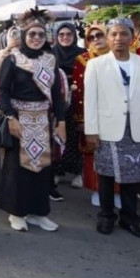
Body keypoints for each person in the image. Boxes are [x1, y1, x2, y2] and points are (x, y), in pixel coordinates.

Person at [0, 9, 66, 233]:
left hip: (43, 120)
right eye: (32, 34)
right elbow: (3, 91)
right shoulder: (13, 59)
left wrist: (61, 121)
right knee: (17, 168)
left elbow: (57, 93)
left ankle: (38, 212)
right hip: (19, 118)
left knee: (42, 167)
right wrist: (10, 117)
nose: (36, 38)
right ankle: (16, 212)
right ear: (24, 35)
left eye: (40, 34)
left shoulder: (50, 59)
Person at [85, 18, 140, 237]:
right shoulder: (96, 65)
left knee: (133, 176)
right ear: (108, 38)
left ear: (131, 37)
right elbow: (91, 100)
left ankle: (130, 218)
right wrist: (92, 130)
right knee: (106, 175)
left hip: (135, 128)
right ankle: (106, 216)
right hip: (108, 127)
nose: (119, 38)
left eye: (123, 34)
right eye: (114, 34)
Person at [72, 24, 111, 195]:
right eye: (91, 37)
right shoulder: (83, 59)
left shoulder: (119, 56)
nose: (96, 39)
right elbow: (79, 91)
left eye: (99, 35)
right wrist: (81, 120)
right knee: (93, 153)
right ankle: (97, 192)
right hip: (92, 115)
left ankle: (116, 192)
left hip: (115, 115)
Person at [51, 23, 86, 190]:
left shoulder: (82, 54)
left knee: (74, 136)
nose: (65, 37)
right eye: (61, 34)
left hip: (77, 99)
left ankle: (78, 173)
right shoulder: (51, 53)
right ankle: (57, 171)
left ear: (74, 36)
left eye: (69, 34)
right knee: (56, 135)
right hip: (56, 100)